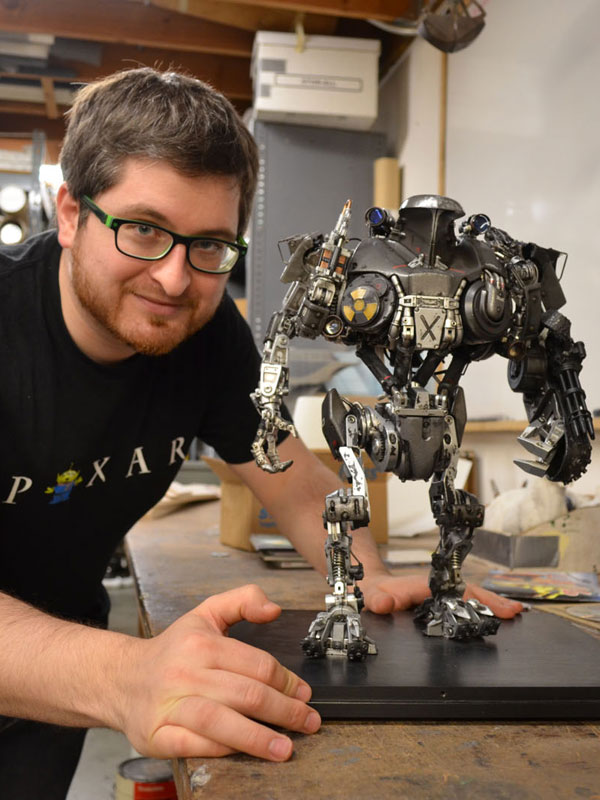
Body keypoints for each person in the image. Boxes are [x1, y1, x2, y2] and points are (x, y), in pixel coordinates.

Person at [0, 67, 522, 797]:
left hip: (56, 675)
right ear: (70, 213)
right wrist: (125, 675)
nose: (175, 279)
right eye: (144, 229)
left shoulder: (205, 334)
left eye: (210, 244)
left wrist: (366, 579)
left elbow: (292, 480)